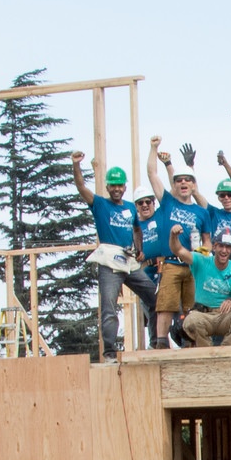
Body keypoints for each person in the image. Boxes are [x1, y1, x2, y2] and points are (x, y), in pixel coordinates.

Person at [69, 150, 148, 358]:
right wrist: (76, 165)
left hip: (129, 260)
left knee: (153, 294)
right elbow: (80, 187)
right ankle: (110, 351)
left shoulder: (131, 208)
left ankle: (158, 341)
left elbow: (137, 229)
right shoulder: (100, 204)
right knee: (109, 307)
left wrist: (140, 249)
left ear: (125, 187)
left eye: (119, 185)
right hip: (109, 261)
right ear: (107, 187)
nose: (116, 189)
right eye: (113, 185)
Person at [174, 226, 231, 347]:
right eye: (221, 246)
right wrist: (173, 236)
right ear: (214, 246)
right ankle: (206, 351)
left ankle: (227, 348)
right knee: (191, 321)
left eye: (228, 247)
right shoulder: (201, 261)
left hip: (225, 316)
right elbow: (178, 250)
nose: (224, 250)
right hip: (203, 315)